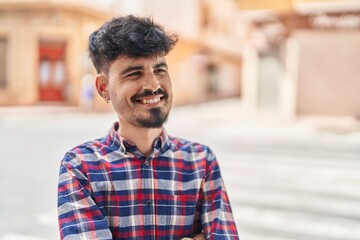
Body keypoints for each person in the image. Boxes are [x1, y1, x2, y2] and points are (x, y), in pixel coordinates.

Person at [57, 15, 239, 240]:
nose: (153, 85)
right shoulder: (81, 167)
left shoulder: (201, 162)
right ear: (104, 87)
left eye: (160, 70)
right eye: (134, 74)